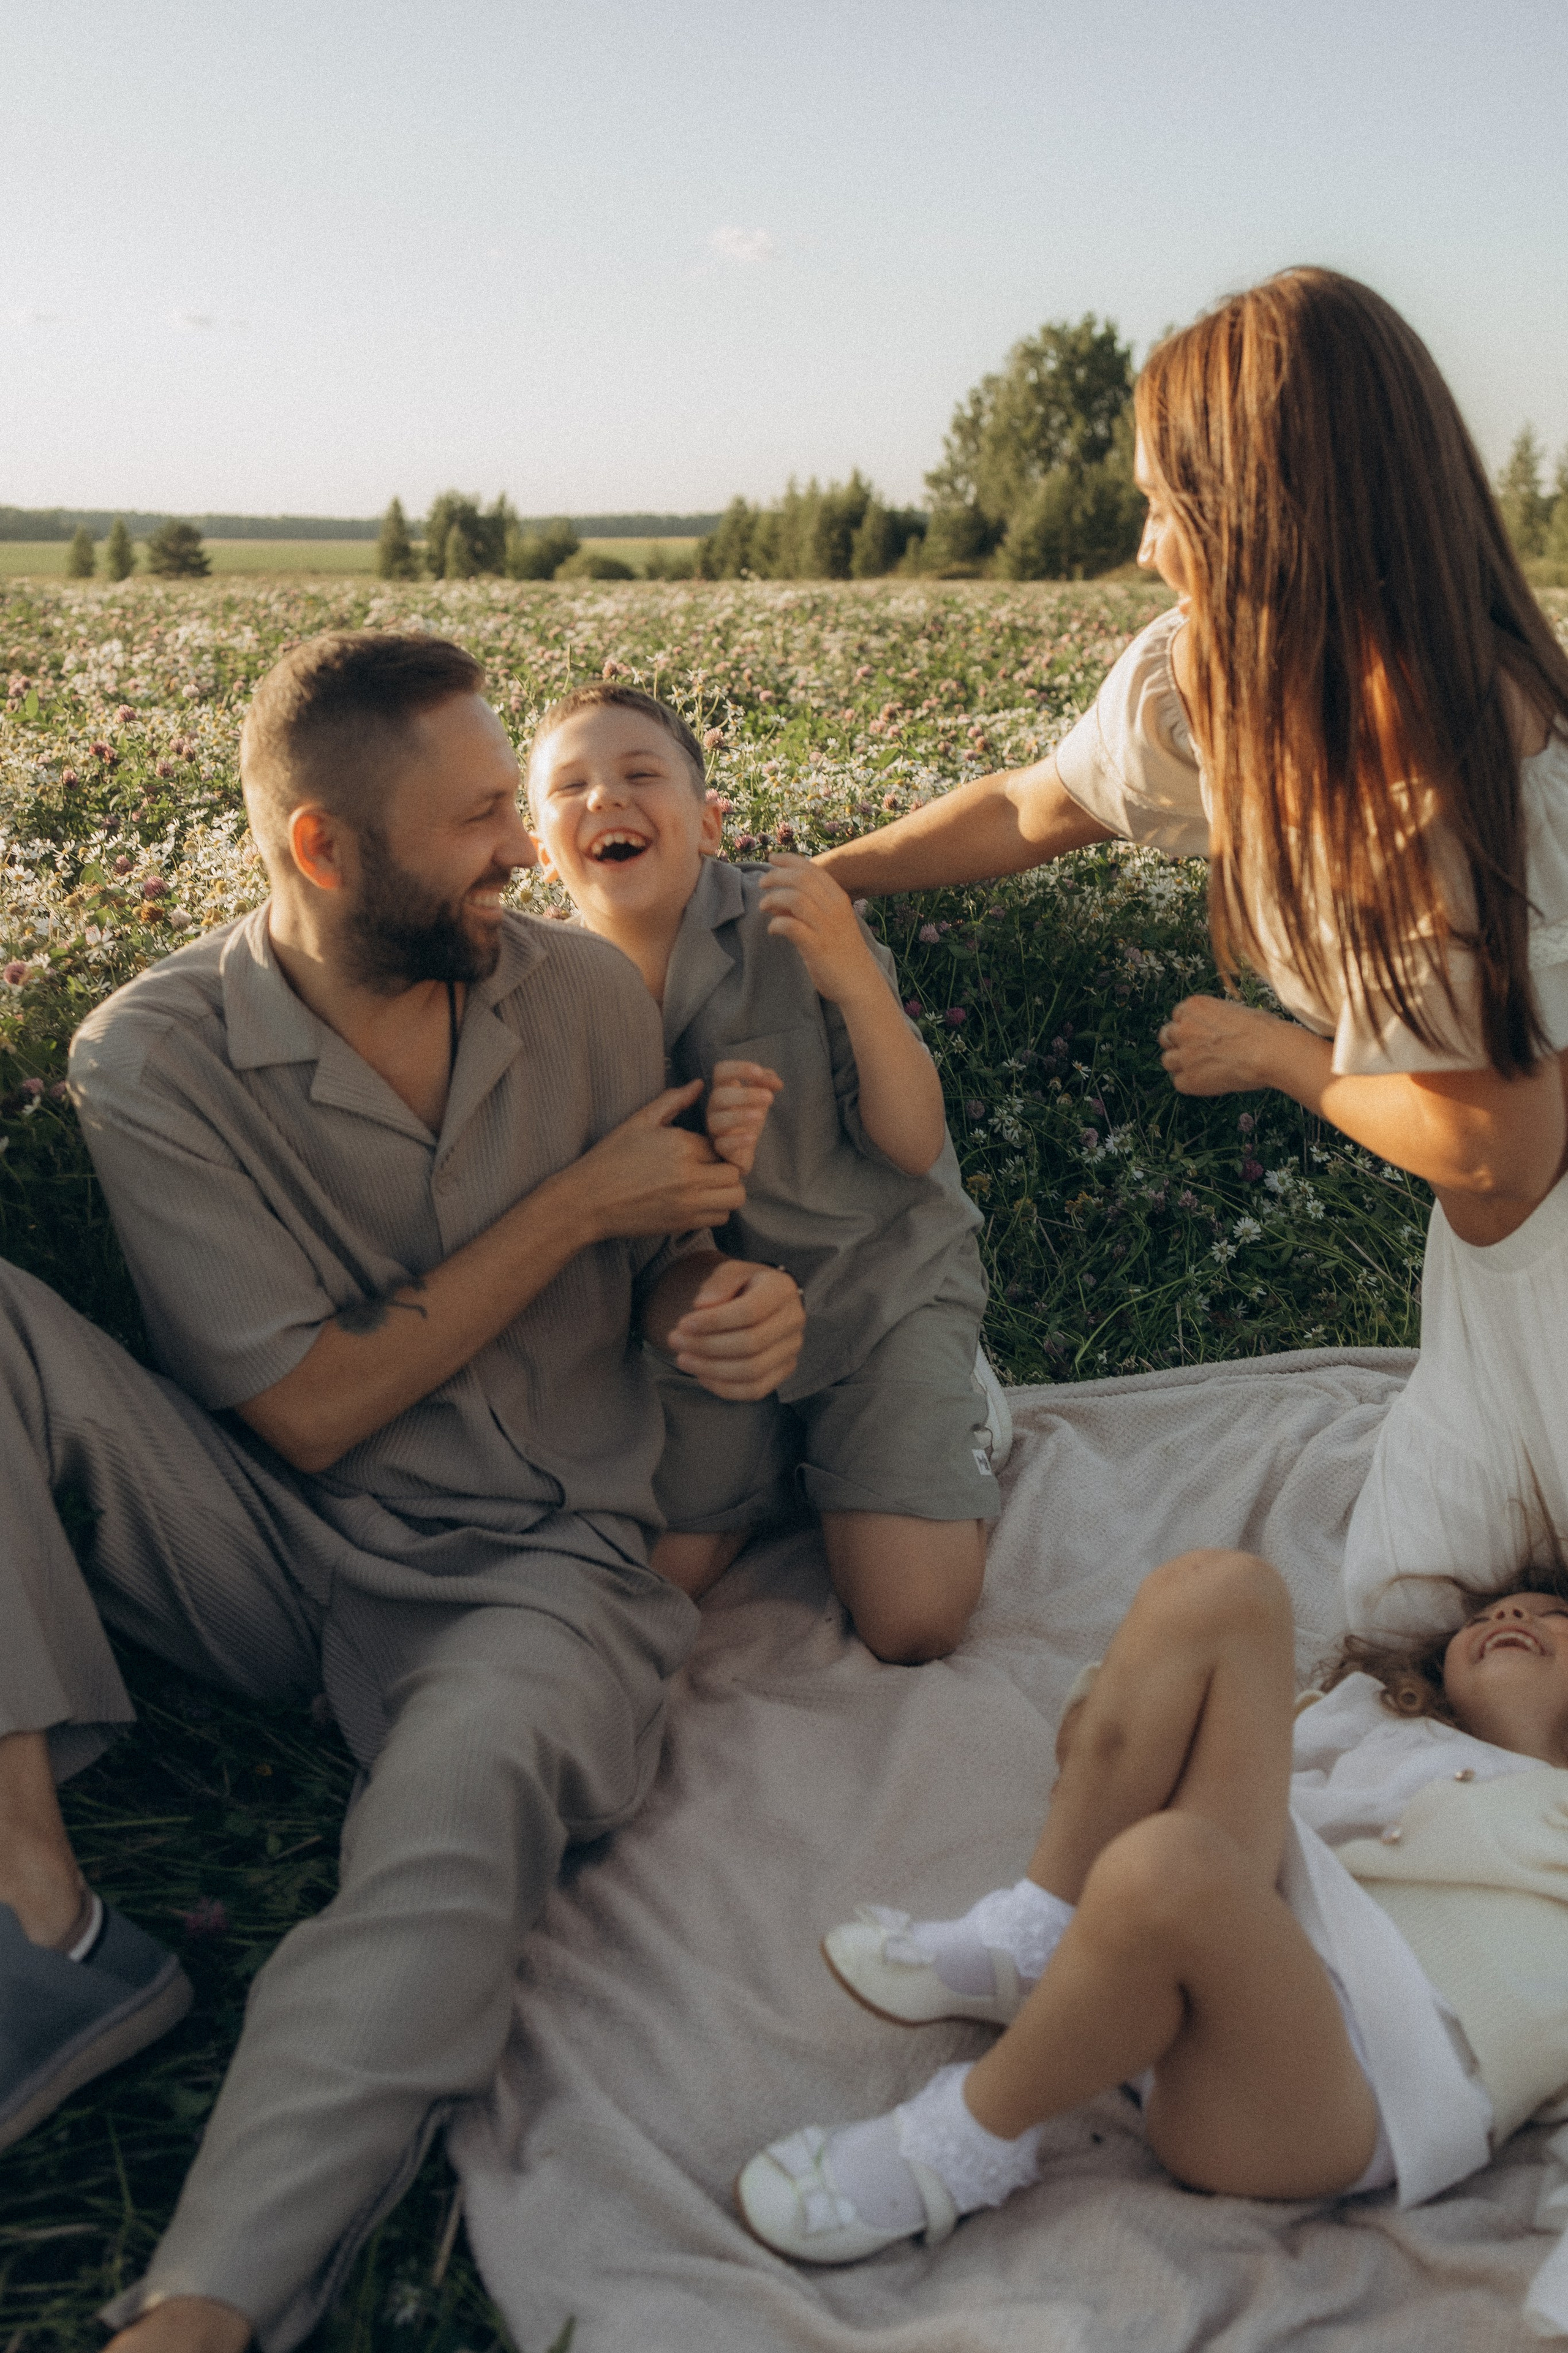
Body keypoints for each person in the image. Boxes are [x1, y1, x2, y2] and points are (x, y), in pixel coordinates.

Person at [0, 631, 804, 2353]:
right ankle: (44, 1910)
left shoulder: (586, 996)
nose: (520, 849)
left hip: (544, 1575)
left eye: (511, 804)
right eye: (475, 822)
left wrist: (717, 1304)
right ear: (321, 849)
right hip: (264, 1543)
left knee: (445, 1847)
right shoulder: (156, 1054)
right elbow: (302, 1408)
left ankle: (205, 2304)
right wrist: (581, 1206)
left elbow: (665, 1253)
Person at [815, 268, 1568, 1632]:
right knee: (1406, 1610)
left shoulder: (1468, 768)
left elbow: (1496, 1152)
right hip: (1490, 1295)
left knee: (1431, 1641)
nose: (1151, 544)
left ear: (1275, 510)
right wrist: (822, 875)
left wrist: (1273, 1052)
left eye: (1171, 501)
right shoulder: (1215, 685)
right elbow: (1033, 805)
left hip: (1544, 1265)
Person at [736, 1547, 1568, 2338]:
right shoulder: (1370, 1717)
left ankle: (969, 2138)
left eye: (1562, 1615)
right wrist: (1123, 1727)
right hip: (1221, 1938)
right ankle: (1038, 1936)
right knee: (1225, 1587)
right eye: (1508, 1603)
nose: (1520, 1609)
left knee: (1167, 1864)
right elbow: (1193, 1768)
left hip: (1333, 2090)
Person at [526, 681, 1009, 1665]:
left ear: (708, 824)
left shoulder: (792, 920)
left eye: (639, 774)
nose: (604, 800)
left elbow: (915, 1146)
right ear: (541, 849)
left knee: (912, 1619)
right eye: (569, 786)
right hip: (716, 1326)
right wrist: (709, 1157)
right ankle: (787, 1456)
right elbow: (642, 1233)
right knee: (661, 1573)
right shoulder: (551, 992)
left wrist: (855, 978)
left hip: (877, 1287)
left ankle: (960, 1397)